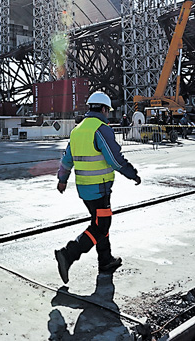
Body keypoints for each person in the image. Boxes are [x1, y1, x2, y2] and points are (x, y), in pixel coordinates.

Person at [54, 91, 141, 284]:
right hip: (99, 189)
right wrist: (132, 173)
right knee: (101, 226)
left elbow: (67, 159)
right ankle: (68, 254)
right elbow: (115, 159)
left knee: (100, 223)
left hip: (84, 189)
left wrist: (62, 179)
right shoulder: (101, 129)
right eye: (108, 111)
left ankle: (106, 260)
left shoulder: (77, 130)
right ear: (103, 109)